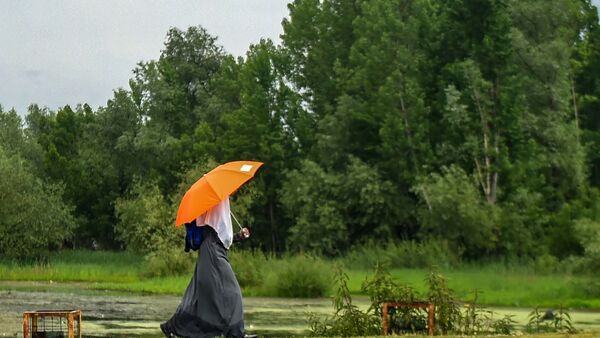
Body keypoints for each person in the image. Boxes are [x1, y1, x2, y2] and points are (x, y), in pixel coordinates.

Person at [160, 197, 254, 338]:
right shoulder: (214, 202)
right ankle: (237, 334)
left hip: (214, 251)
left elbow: (223, 237)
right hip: (212, 252)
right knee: (232, 291)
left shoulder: (222, 201)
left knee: (198, 295)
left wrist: (239, 236)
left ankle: (171, 327)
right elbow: (215, 235)